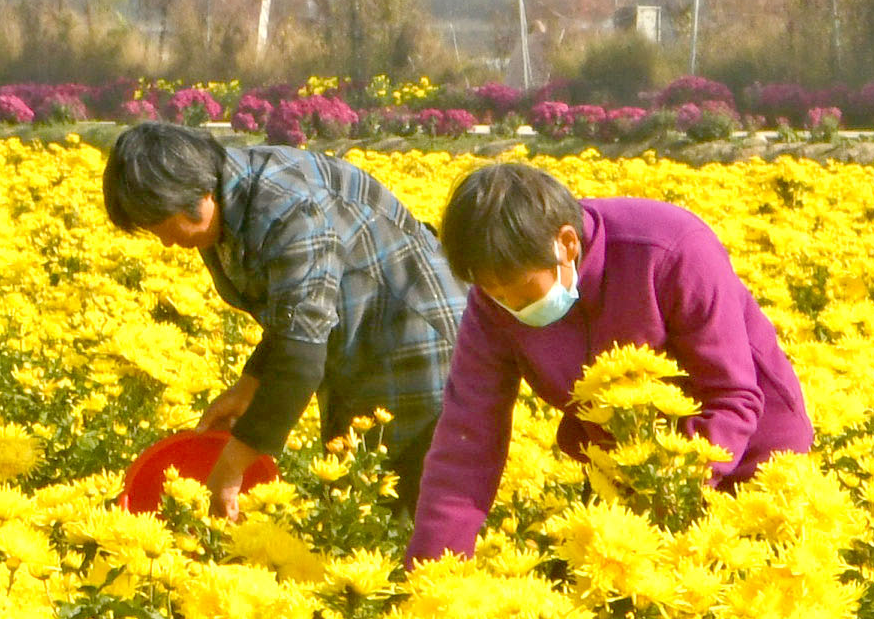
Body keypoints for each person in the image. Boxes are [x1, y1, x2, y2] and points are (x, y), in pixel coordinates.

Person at [408, 164, 816, 561]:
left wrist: (663, 505)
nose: (510, 307)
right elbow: (466, 441)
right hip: (626, 477)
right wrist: (431, 574)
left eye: (522, 293)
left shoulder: (671, 249)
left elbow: (731, 396)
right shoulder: (494, 303)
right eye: (492, 292)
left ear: (566, 244)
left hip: (755, 453)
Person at [96, 119, 463, 520]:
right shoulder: (223, 200)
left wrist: (234, 463)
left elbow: (300, 355)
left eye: (163, 225)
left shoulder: (288, 208)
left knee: (406, 514)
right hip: (355, 343)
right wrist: (250, 384)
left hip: (418, 341)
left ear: (196, 192)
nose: (166, 241)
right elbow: (292, 311)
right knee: (354, 501)